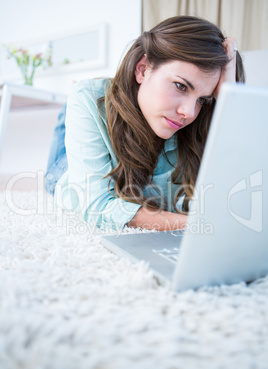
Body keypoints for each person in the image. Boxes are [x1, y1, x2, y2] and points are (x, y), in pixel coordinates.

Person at [45, 15, 245, 232]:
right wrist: (197, 224)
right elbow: (96, 207)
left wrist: (228, 96)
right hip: (66, 171)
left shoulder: (196, 121)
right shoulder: (87, 99)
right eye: (180, 86)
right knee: (55, 179)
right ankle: (75, 105)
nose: (188, 112)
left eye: (202, 100)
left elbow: (228, 199)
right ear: (142, 69)